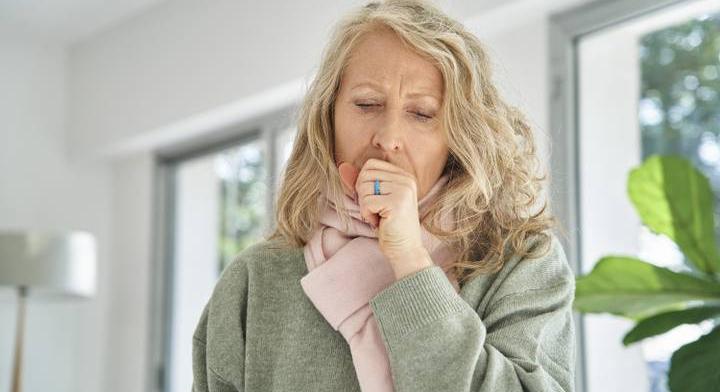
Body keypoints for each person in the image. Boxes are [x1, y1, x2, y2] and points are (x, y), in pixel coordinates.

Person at [191, 0, 576, 391]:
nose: (388, 138)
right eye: (367, 104)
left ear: (458, 137)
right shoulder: (254, 280)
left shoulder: (521, 260)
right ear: (328, 119)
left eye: (422, 113)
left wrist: (409, 259)